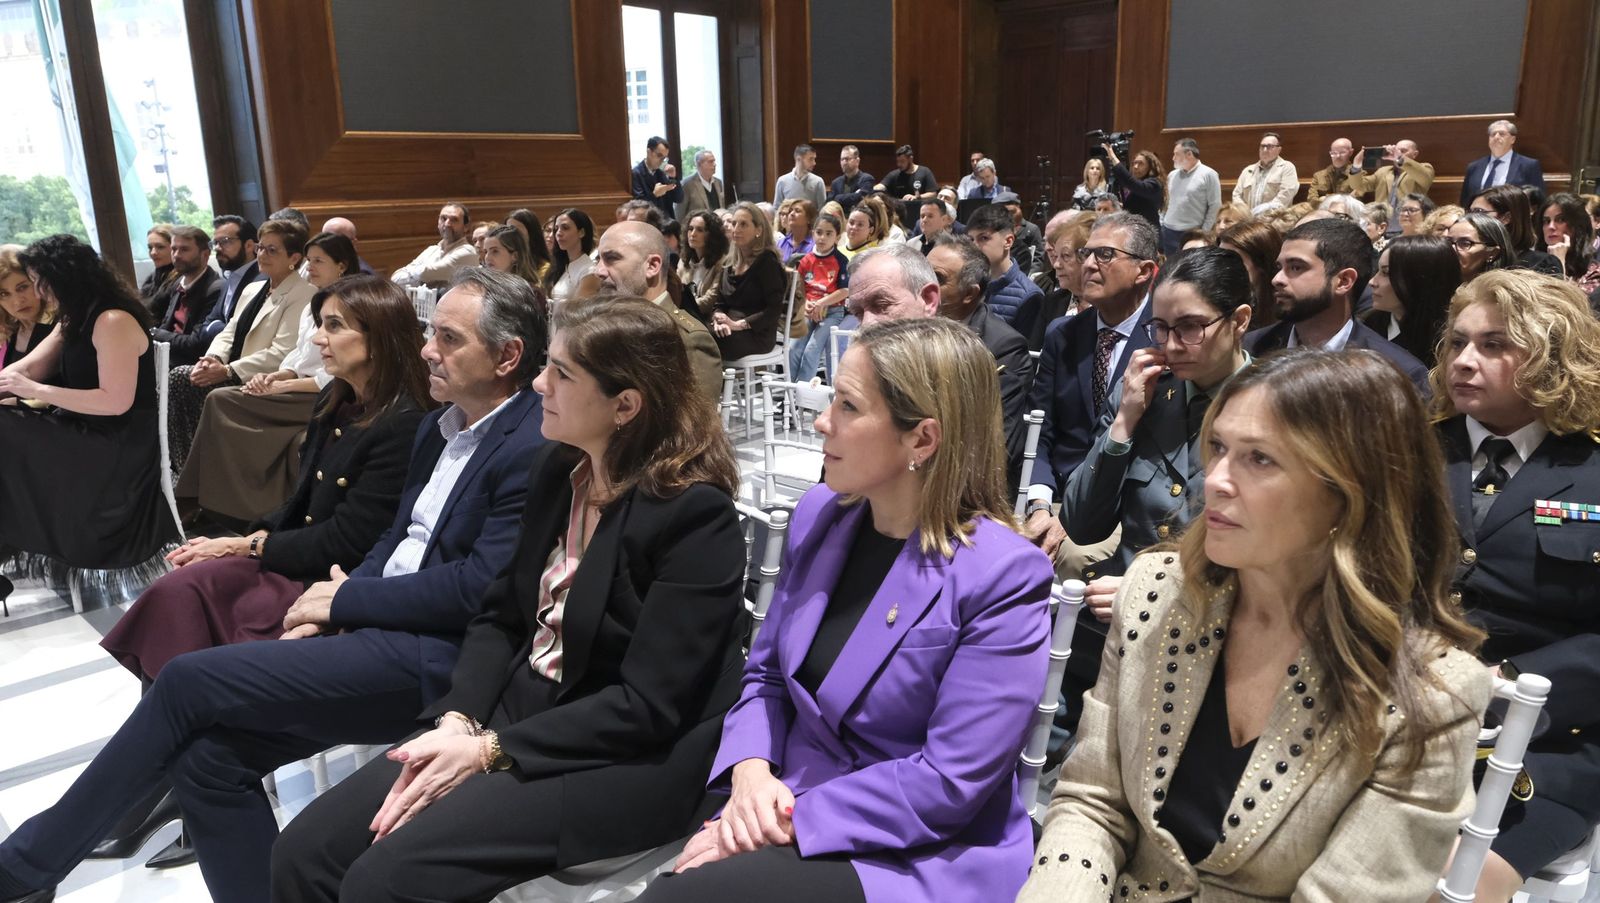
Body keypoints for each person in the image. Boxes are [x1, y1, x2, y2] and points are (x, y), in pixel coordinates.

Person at [0, 269, 548, 903]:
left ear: (507, 357)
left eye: (449, 339)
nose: (429, 349)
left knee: (186, 679)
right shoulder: (441, 427)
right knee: (208, 760)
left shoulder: (528, 444)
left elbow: (479, 587)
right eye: (431, 334)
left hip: (442, 657)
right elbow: (394, 541)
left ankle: (23, 869)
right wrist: (336, 605)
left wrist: (343, 598)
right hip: (380, 627)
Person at [264, 294, 744, 903]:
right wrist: (461, 718)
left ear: (625, 405)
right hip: (514, 716)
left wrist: (488, 750)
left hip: (626, 758)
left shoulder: (694, 516)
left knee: (384, 881)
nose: (539, 382)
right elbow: (500, 614)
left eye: (562, 373)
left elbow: (646, 707)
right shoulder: (559, 467)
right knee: (304, 854)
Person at [1020, 348, 1490, 902]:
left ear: (1352, 494)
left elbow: (1345, 894)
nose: (1216, 480)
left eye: (1260, 459)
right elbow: (1093, 802)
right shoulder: (1155, 592)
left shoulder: (1433, 697)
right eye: (1217, 447)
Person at [637, 317, 1052, 903]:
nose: (821, 421)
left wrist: (784, 821)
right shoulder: (822, 513)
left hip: (913, 846)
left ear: (922, 439)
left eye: (848, 406)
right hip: (785, 791)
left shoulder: (1003, 575)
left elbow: (948, 783)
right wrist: (751, 771)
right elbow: (766, 675)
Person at [1426, 270, 1600, 902]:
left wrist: (1507, 679)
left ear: (1552, 356)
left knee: (1440, 886)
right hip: (1394, 714)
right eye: (1458, 343)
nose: (1465, 362)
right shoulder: (1407, 451)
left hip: (1548, 743)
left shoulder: (1591, 470)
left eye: (1495, 344)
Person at [1062, 245, 1254, 597]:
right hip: (1117, 614)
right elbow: (1080, 525)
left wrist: (1150, 588)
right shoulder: (1143, 391)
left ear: (1240, 321)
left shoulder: (1273, 408)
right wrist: (1123, 422)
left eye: (1190, 327)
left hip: (1211, 616)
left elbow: (1265, 557)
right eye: (1161, 328)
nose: (1172, 345)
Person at [0, 235, 179, 576]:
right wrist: (18, 383)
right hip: (81, 431)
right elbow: (27, 368)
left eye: (40, 284)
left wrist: (36, 389)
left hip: (115, 444)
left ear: (64, 277)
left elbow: (115, 402)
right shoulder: (73, 316)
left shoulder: (113, 320)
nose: (39, 294)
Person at [177, 231, 362, 523]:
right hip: (299, 385)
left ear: (341, 265)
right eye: (309, 260)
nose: (310, 267)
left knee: (221, 399)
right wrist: (274, 377)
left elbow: (337, 375)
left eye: (318, 261)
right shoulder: (315, 304)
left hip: (329, 394)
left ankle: (201, 499)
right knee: (214, 396)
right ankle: (212, 501)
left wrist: (282, 383)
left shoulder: (351, 304)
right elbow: (297, 357)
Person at [1024, 212, 1159, 586]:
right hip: (1055, 495)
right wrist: (1037, 504)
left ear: (1144, 270)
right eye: (1085, 253)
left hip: (1124, 506)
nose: (1086, 264)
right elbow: (1041, 431)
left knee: (1070, 557)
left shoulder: (1165, 340)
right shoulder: (1062, 334)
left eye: (1104, 255)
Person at [167, 219, 316, 474]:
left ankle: (200, 469)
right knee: (186, 377)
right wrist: (212, 358)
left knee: (182, 379)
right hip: (231, 368)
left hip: (260, 377)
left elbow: (281, 353)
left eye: (272, 250)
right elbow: (229, 332)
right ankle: (187, 467)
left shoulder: (304, 294)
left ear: (294, 257)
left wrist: (227, 371)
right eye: (260, 247)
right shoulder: (253, 288)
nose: (261, 255)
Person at [1246, 218, 1431, 395]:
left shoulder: (1398, 374)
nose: (1277, 279)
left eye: (1296, 267)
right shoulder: (1249, 348)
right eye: (1280, 267)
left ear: (1343, 281)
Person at [929, 235, 1034, 485]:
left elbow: (997, 447)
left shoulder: (1002, 348)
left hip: (959, 485)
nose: (923, 285)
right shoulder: (904, 327)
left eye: (938, 279)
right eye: (922, 273)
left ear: (970, 294)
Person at [595, 220, 722, 406]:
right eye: (597, 260)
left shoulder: (687, 340)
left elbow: (694, 428)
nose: (599, 271)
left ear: (652, 266)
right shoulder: (601, 324)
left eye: (612, 258)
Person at [1363, 234, 1460, 371]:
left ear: (1420, 280)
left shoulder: (1451, 341)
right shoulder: (1369, 324)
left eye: (1386, 273)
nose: (1372, 282)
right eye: (1377, 271)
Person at [712, 202, 787, 361]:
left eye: (743, 224)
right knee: (695, 336)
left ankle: (713, 385)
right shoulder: (729, 263)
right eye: (734, 223)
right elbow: (719, 304)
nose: (736, 229)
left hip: (757, 333)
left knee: (708, 345)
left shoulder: (767, 262)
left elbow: (774, 309)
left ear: (758, 230)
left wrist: (738, 324)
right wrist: (719, 319)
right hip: (729, 328)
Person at [788, 212, 851, 382]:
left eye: (829, 233)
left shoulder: (841, 261)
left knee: (811, 351)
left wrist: (821, 303)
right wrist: (808, 303)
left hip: (832, 311)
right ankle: (790, 394)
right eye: (819, 232)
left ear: (837, 237)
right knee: (793, 349)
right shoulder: (806, 260)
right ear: (813, 233)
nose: (822, 237)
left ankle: (802, 397)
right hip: (809, 310)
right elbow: (800, 289)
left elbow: (845, 291)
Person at [148, 225, 225, 366]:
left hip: (192, 364)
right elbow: (162, 320)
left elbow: (195, 344)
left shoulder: (215, 289)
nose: (176, 255)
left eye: (184, 249)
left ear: (205, 255)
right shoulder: (178, 282)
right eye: (173, 249)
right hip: (168, 356)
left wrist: (154, 333)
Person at [967, 203, 1045, 339]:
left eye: (983, 238)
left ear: (1008, 241)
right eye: (971, 239)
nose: (974, 246)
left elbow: (1025, 355)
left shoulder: (1030, 296)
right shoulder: (966, 283)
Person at [1470, 184, 1564, 275]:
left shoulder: (1542, 264)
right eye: (1469, 212)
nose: (1469, 218)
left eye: (1479, 212)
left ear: (1506, 218)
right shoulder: (1472, 258)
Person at [1217, 219, 1283, 330]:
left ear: (1262, 265)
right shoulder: (1217, 307)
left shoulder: (1286, 318)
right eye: (1219, 260)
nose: (1221, 268)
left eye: (1232, 260)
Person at [392, 203, 479, 287]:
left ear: (466, 227)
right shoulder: (431, 250)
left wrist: (413, 274)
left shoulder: (468, 252)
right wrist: (423, 279)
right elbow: (395, 278)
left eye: (454, 220)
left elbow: (426, 273)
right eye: (443, 218)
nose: (447, 224)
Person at [1462, 119, 1546, 206]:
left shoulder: (1529, 165)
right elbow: (1465, 200)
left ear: (1512, 139)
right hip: (1478, 217)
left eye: (1502, 134)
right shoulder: (1474, 167)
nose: (1496, 137)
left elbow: (1539, 200)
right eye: (1493, 134)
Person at [1161, 138, 1221, 257]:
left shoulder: (1209, 174)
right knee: (1170, 270)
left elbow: (1215, 205)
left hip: (1192, 233)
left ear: (1189, 154)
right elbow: (1166, 201)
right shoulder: (1172, 175)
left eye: (1176, 154)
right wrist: (1162, 221)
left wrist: (1204, 232)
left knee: (1189, 271)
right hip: (1168, 232)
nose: (1173, 158)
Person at [0, 246, 55, 368]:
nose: (17, 301)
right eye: (4, 294)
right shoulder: (10, 331)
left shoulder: (62, 325)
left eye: (22, 287)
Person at [1366, 140, 1435, 233]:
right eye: (1397, 151)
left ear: (1415, 154)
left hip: (1409, 228)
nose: (1398, 154)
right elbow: (1359, 185)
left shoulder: (1425, 168)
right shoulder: (1383, 171)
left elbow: (1424, 177)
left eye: (1403, 151)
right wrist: (1356, 166)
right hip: (1382, 228)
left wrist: (1400, 158)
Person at [1538, 192, 1600, 292]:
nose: (1551, 227)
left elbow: (1569, 305)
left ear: (1578, 226)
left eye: (1560, 220)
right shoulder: (1531, 262)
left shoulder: (1594, 273)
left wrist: (1558, 263)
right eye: (1546, 221)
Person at [1233, 132, 1299, 214]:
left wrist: (1266, 211)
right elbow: (1236, 195)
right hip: (1250, 221)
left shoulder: (1287, 167)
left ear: (1279, 149)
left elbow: (1286, 194)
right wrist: (1244, 214)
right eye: (1262, 146)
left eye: (1269, 146)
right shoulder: (1248, 170)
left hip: (1274, 220)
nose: (1264, 150)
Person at [548, 208, 601, 302]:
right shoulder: (563, 266)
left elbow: (578, 311)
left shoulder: (590, 271)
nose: (558, 233)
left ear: (581, 232)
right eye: (556, 229)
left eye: (565, 228)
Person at [1104, 145, 1164, 228]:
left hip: (1149, 233)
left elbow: (1133, 184)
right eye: (1134, 163)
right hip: (1136, 230)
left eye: (1140, 164)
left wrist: (1113, 158)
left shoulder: (1155, 184)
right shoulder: (1140, 182)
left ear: (1150, 167)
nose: (1135, 167)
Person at [1446, 212, 1514, 283]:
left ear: (1492, 253)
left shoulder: (1502, 291)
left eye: (1464, 243)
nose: (1452, 248)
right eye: (1448, 241)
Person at [482, 224, 549, 294]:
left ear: (515, 256)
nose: (487, 257)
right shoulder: (484, 289)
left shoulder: (532, 293)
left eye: (495, 251)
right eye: (486, 251)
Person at [632, 135, 684, 221]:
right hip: (649, 225)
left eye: (664, 158)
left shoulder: (661, 174)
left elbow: (679, 198)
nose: (661, 161)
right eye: (659, 155)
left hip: (667, 223)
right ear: (649, 152)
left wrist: (673, 177)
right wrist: (654, 195)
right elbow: (639, 207)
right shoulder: (636, 173)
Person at [1305, 137, 1366, 202]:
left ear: (1350, 152)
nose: (1337, 156)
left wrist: (1325, 198)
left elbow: (1357, 198)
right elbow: (1312, 200)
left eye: (1342, 152)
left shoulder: (1359, 174)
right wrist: (1345, 198)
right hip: (1323, 211)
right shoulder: (1318, 176)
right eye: (1334, 153)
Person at [504, 209, 555, 285]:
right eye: (507, 230)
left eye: (516, 230)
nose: (511, 235)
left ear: (531, 233)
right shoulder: (505, 263)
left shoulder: (545, 269)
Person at [773, 143, 826, 210]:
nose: (814, 163)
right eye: (811, 159)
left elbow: (822, 210)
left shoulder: (818, 182)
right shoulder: (782, 181)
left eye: (814, 159)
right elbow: (777, 208)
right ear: (798, 159)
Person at [681, 149, 732, 218]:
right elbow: (679, 212)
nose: (714, 164)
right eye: (711, 162)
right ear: (699, 164)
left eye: (714, 161)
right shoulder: (687, 184)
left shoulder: (718, 182)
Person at [828, 144, 876, 212]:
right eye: (842, 159)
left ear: (857, 161)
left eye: (847, 159)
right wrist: (854, 195)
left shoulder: (867, 179)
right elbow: (830, 203)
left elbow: (861, 198)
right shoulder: (836, 182)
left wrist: (838, 197)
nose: (844, 162)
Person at [140, 224, 175, 303]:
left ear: (174, 248)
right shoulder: (152, 279)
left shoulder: (181, 280)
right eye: (150, 248)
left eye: (160, 247)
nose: (153, 253)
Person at [778, 198, 817, 263]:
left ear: (809, 219)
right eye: (790, 211)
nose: (791, 214)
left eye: (797, 211)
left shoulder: (815, 245)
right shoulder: (781, 243)